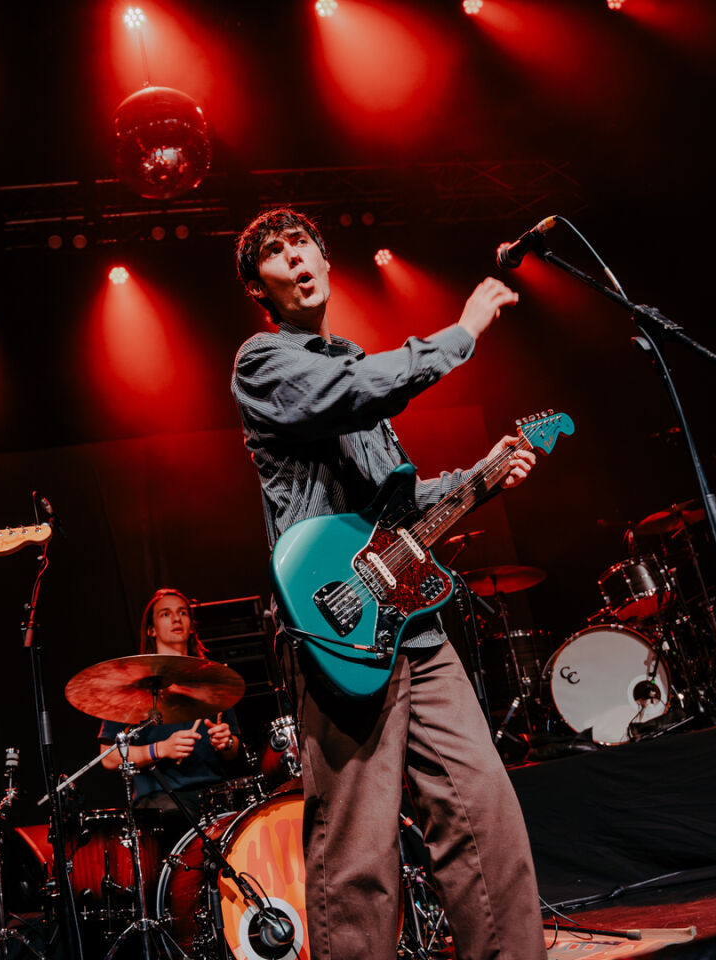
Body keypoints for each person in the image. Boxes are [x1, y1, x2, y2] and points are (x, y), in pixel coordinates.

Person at [230, 208, 545, 960]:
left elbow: (394, 510)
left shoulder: (354, 366)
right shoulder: (264, 362)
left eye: (303, 243)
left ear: (325, 262)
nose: (294, 257)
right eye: (275, 252)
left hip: (414, 625)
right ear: (258, 288)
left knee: (485, 817)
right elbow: (356, 390)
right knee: (359, 855)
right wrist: (461, 332)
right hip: (336, 630)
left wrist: (482, 475)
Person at [96, 588, 242, 824]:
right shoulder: (133, 685)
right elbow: (109, 757)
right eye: (166, 614)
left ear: (192, 626)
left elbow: (234, 750)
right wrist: (160, 750)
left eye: (182, 612)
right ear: (151, 630)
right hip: (162, 800)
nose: (176, 618)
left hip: (217, 794)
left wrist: (226, 742)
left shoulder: (213, 680)